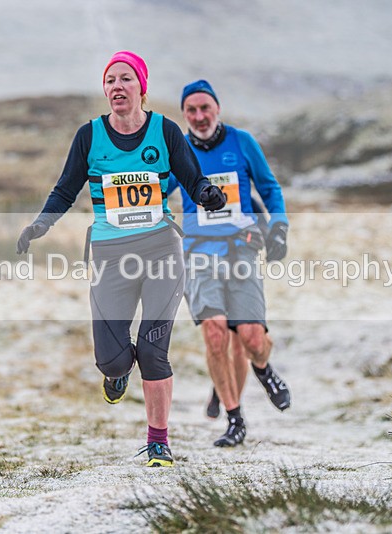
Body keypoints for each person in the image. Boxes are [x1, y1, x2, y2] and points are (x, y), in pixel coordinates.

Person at [16, 52, 226, 467]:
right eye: (110, 80)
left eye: (125, 78)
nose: (117, 86)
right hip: (111, 256)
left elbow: (192, 178)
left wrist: (206, 194)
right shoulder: (89, 137)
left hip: (161, 251)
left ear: (141, 87)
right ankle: (118, 371)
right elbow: (65, 189)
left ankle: (158, 442)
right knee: (110, 359)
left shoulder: (165, 131)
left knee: (153, 350)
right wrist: (40, 224)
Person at [168, 79, 291, 448]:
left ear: (217, 109)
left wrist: (279, 227)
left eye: (205, 108)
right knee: (216, 333)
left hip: (241, 249)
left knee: (251, 339)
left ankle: (264, 369)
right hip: (199, 253)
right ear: (184, 114)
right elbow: (155, 193)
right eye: (191, 110)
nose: (199, 116)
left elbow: (269, 188)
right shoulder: (179, 150)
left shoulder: (242, 142)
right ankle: (234, 419)